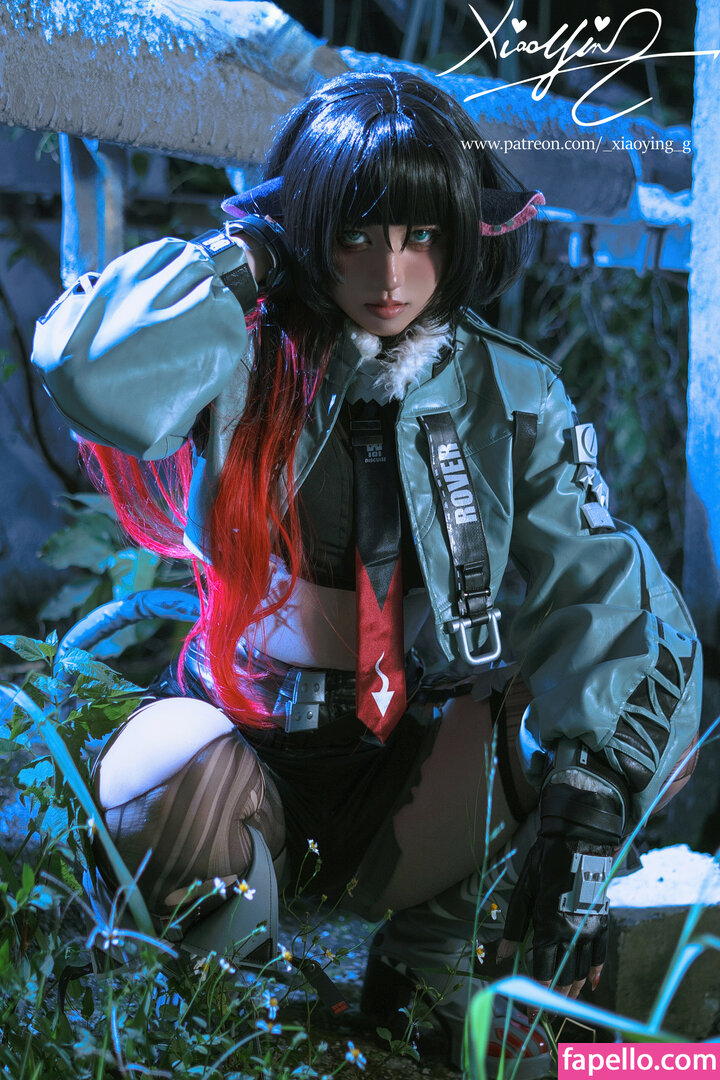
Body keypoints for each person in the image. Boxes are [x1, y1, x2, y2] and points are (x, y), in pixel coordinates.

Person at [32, 71, 701, 1075]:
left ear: (460, 234)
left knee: (587, 734)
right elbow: (85, 362)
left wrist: (589, 790)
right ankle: (233, 1006)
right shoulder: (241, 360)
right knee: (154, 773)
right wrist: (250, 256)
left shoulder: (513, 391)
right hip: (253, 756)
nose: (390, 273)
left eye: (419, 235)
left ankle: (430, 975)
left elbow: (610, 590)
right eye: (355, 234)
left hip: (416, 770)